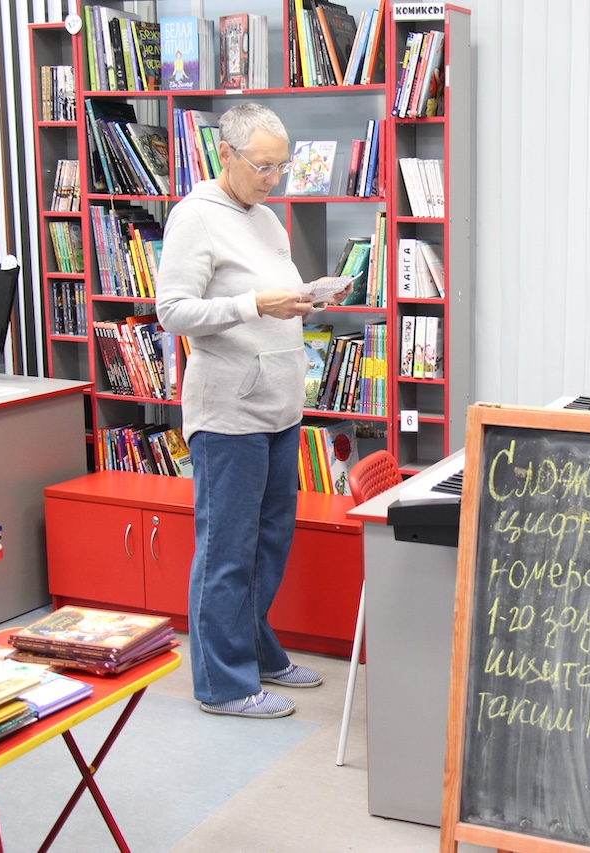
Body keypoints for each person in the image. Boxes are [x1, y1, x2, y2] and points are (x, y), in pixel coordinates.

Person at [156, 103, 346, 719]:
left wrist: (301, 300)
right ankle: (222, 684)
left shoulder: (266, 219)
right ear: (226, 155)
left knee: (268, 544)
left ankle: (257, 652)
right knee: (227, 551)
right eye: (262, 166)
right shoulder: (194, 217)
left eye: (280, 167)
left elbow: (268, 299)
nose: (273, 178)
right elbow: (173, 312)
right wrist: (254, 305)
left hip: (280, 408)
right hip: (228, 414)